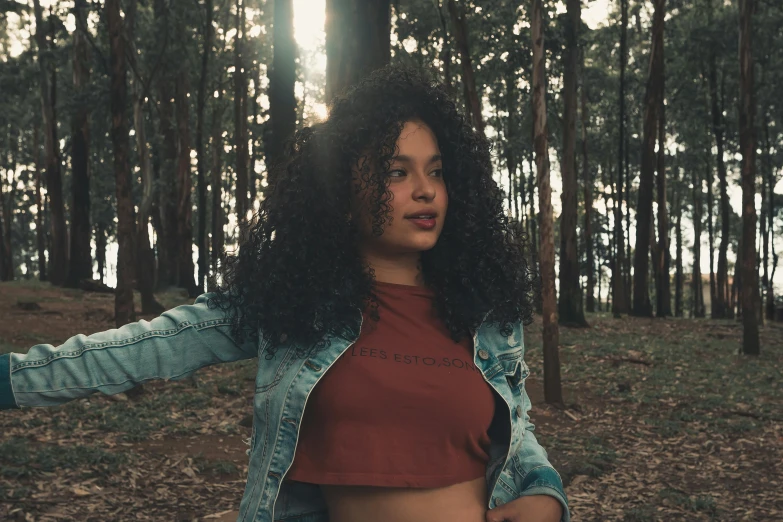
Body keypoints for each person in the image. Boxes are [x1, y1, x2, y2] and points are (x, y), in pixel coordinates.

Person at [0, 64, 570, 522]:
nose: (425, 191)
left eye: (436, 170)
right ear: (344, 194)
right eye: (396, 173)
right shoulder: (295, 303)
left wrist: (546, 493)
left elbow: (518, 429)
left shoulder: (483, 313)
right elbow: (146, 347)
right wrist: (11, 379)